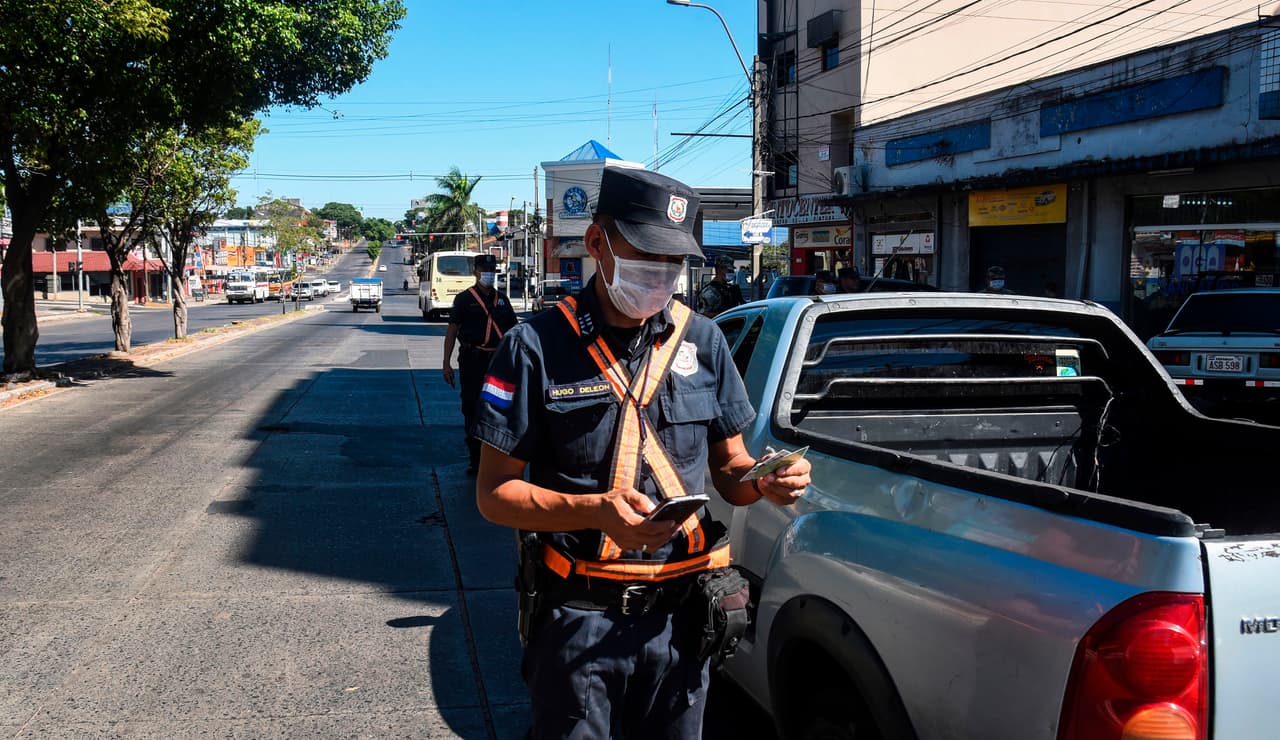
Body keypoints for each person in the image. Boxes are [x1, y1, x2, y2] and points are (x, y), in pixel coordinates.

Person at [471, 166, 811, 739]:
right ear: (598, 242)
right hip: (579, 618)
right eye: (648, 254)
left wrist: (765, 480)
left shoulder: (703, 339)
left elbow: (730, 471)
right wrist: (594, 511)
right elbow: (493, 495)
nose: (661, 275)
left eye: (673, 262)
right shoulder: (534, 346)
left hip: (684, 619)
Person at [442, 253, 517, 475]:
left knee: (500, 408)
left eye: (492, 270)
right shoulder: (464, 299)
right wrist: (446, 364)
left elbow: (515, 331)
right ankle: (476, 460)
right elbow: (452, 330)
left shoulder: (502, 300)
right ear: (475, 271)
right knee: (472, 408)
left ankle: (498, 457)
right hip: (472, 361)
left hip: (499, 362)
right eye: (485, 269)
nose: (489, 274)